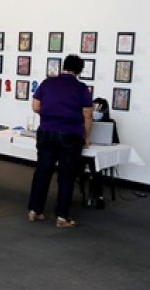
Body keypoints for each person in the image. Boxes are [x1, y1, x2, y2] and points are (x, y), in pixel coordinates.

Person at [27, 54, 93, 228]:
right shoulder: (81, 88)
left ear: (64, 66)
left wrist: (49, 115)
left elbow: (35, 106)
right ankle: (62, 217)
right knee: (66, 175)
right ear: (79, 70)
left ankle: (35, 210)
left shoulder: (47, 83)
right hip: (70, 134)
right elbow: (88, 115)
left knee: (42, 171)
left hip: (47, 132)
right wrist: (87, 136)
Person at [83, 97, 120, 208]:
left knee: (96, 167)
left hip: (100, 154)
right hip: (86, 152)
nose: (95, 112)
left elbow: (115, 141)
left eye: (98, 109)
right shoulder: (87, 121)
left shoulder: (110, 123)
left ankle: (98, 196)